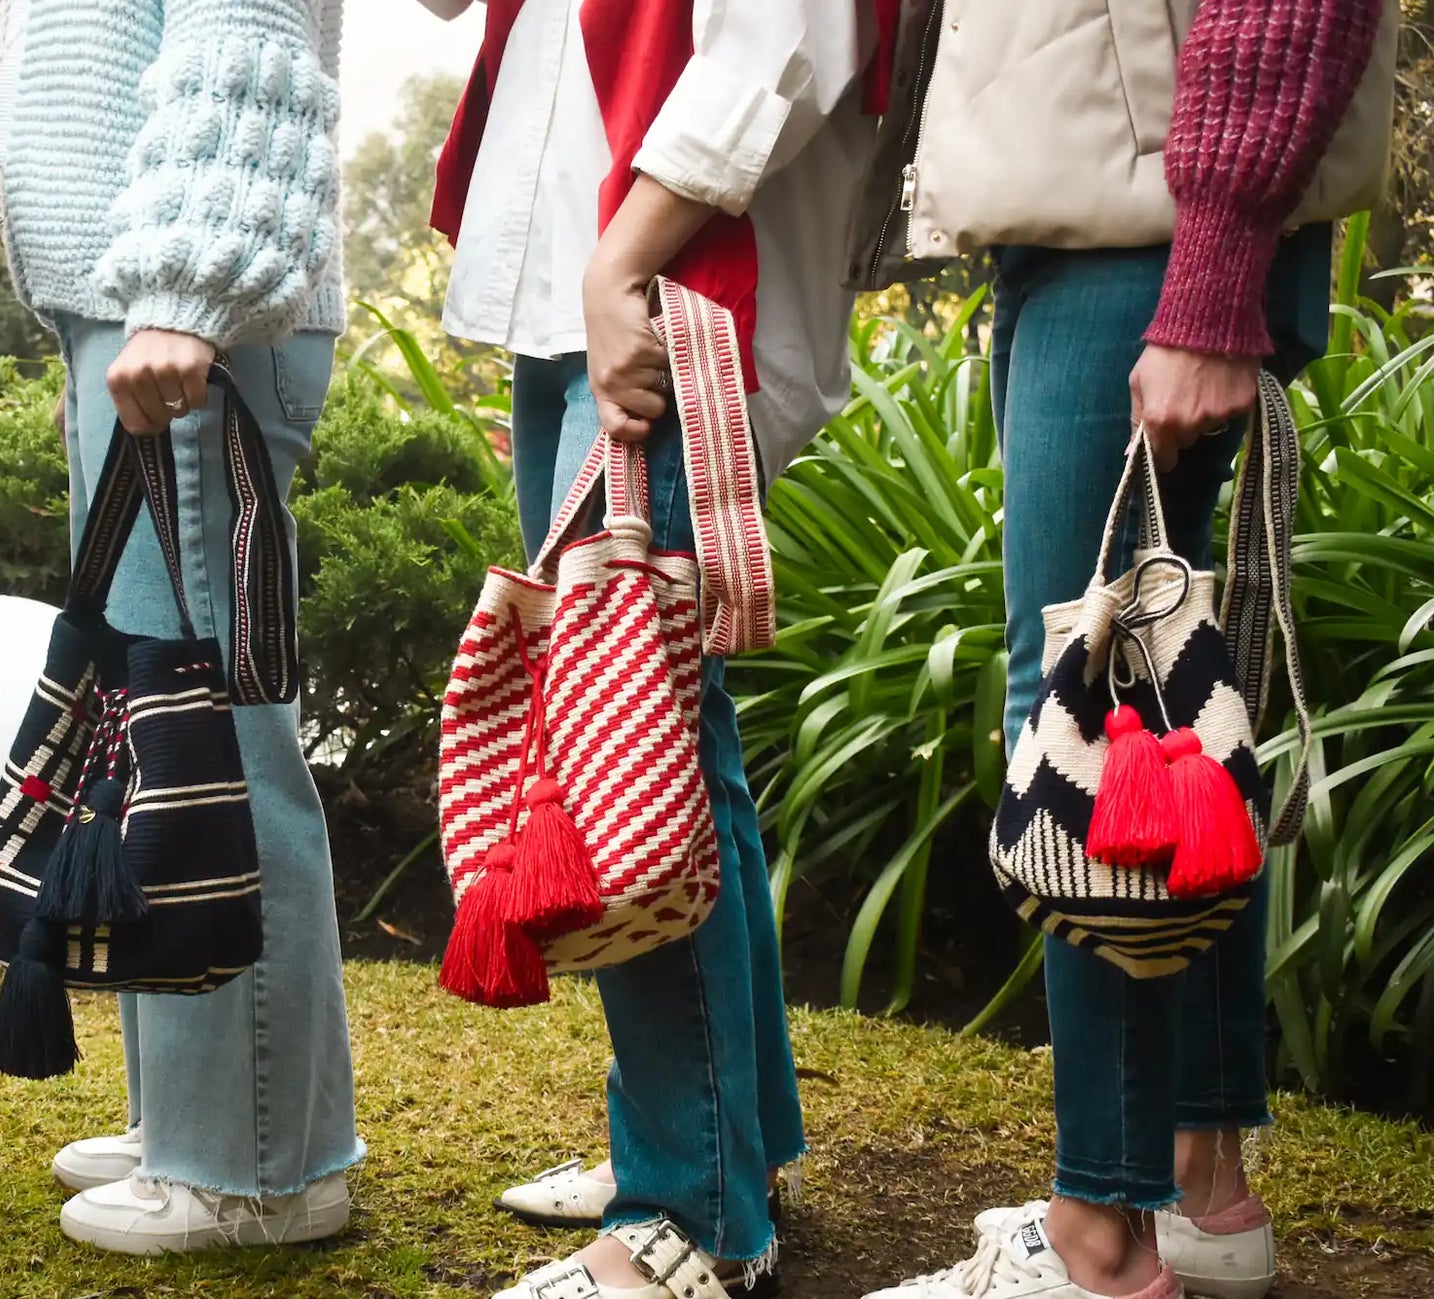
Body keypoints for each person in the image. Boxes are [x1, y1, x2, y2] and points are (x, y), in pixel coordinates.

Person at [854, 2, 1392, 1298]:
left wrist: (1208, 276)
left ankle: (1099, 1230)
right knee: (1160, 720)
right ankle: (1196, 1183)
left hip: (1146, 224)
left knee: (1082, 721)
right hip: (1111, 204)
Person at [419, 0, 874, 1294]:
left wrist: (625, 259)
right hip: (574, 275)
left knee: (631, 729)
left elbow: (786, 33)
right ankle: (730, 1147)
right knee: (671, 724)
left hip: (662, 268)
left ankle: (691, 1209)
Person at [0, 0, 363, 1255]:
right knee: (162, 740)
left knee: (211, 743)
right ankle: (190, 1121)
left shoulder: (181, 300)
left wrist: (185, 287)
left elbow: (244, 17)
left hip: (183, 311)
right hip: (146, 301)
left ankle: (256, 1166)